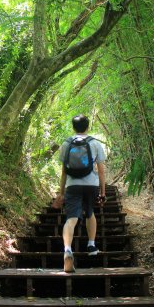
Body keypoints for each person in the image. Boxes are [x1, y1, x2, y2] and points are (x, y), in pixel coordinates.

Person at [57, 114, 106, 273]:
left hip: (73, 185)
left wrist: (61, 193)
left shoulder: (66, 143)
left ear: (73, 127)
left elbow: (64, 171)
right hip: (91, 185)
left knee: (71, 219)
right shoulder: (95, 143)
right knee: (90, 213)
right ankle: (91, 245)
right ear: (88, 126)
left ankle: (67, 250)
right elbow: (101, 172)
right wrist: (103, 192)